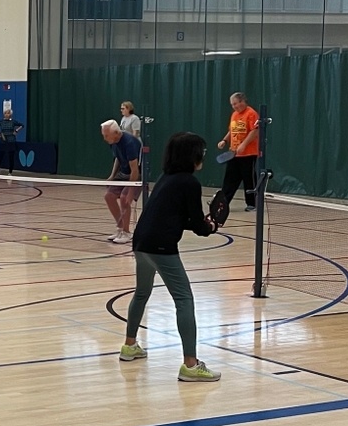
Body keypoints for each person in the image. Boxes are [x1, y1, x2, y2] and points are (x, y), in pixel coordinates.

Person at [119, 132, 221, 382]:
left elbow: (171, 217)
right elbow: (198, 226)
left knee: (142, 292)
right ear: (192, 156)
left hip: (141, 242)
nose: (203, 157)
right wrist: (212, 225)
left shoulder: (167, 178)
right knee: (184, 299)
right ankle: (191, 365)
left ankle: (129, 346)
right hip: (161, 247)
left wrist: (201, 223)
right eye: (202, 152)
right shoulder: (189, 183)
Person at [216, 91, 260, 212]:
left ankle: (252, 204)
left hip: (248, 154)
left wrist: (244, 144)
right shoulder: (234, 115)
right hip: (234, 153)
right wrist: (224, 141)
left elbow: (255, 131)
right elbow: (232, 130)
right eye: (232, 105)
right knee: (229, 179)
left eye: (235, 103)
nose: (234, 106)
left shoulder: (251, 114)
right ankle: (223, 203)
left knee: (249, 179)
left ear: (242, 101)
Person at [101, 119, 141, 244]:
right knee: (109, 196)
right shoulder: (113, 142)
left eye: (106, 135)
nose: (105, 138)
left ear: (116, 133)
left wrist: (130, 191)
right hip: (123, 173)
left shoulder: (129, 143)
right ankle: (120, 228)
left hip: (136, 175)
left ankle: (127, 232)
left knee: (124, 198)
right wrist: (112, 176)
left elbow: (135, 170)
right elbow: (118, 158)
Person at [0, 108, 24, 174]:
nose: (7, 115)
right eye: (6, 113)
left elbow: (22, 125)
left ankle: (10, 172)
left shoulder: (13, 121)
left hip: (11, 141)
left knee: (11, 157)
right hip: (3, 141)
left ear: (11, 114)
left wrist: (16, 130)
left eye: (8, 113)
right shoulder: (1, 122)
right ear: (4, 114)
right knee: (0, 156)